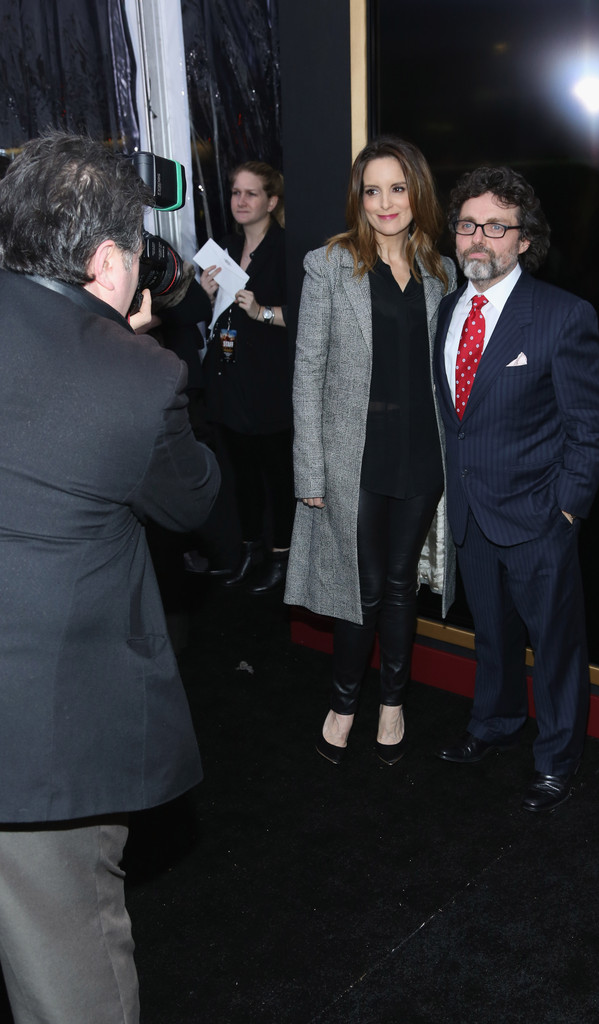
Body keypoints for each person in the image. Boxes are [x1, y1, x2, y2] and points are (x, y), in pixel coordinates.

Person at [0, 132, 220, 1023]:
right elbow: (192, 501)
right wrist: (134, 356)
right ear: (104, 261)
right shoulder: (140, 375)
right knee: (72, 981)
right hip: (37, 739)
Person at [433, 166, 599, 811]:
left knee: (557, 646)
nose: (478, 239)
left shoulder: (563, 317)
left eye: (496, 227)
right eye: (468, 225)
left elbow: (589, 426)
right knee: (492, 634)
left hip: (539, 516)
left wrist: (567, 508)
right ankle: (495, 724)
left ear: (523, 240)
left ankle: (558, 758)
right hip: (471, 516)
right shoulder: (450, 310)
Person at [284, 136, 456, 765]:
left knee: (400, 584)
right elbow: (307, 372)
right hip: (353, 454)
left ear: (418, 192)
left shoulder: (442, 270)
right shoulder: (330, 264)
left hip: (421, 454)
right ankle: (343, 701)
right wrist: (309, 466)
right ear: (359, 197)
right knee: (361, 588)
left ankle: (393, 701)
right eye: (372, 189)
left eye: (398, 187)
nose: (385, 201)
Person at [198, 161, 293, 593]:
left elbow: (309, 316)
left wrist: (261, 312)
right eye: (236, 192)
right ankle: (250, 552)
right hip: (228, 380)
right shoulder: (223, 250)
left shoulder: (288, 249)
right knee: (242, 477)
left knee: (277, 477)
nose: (240, 200)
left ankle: (282, 559)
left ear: (271, 201)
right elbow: (211, 319)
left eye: (250, 193)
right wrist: (204, 295)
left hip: (269, 385)